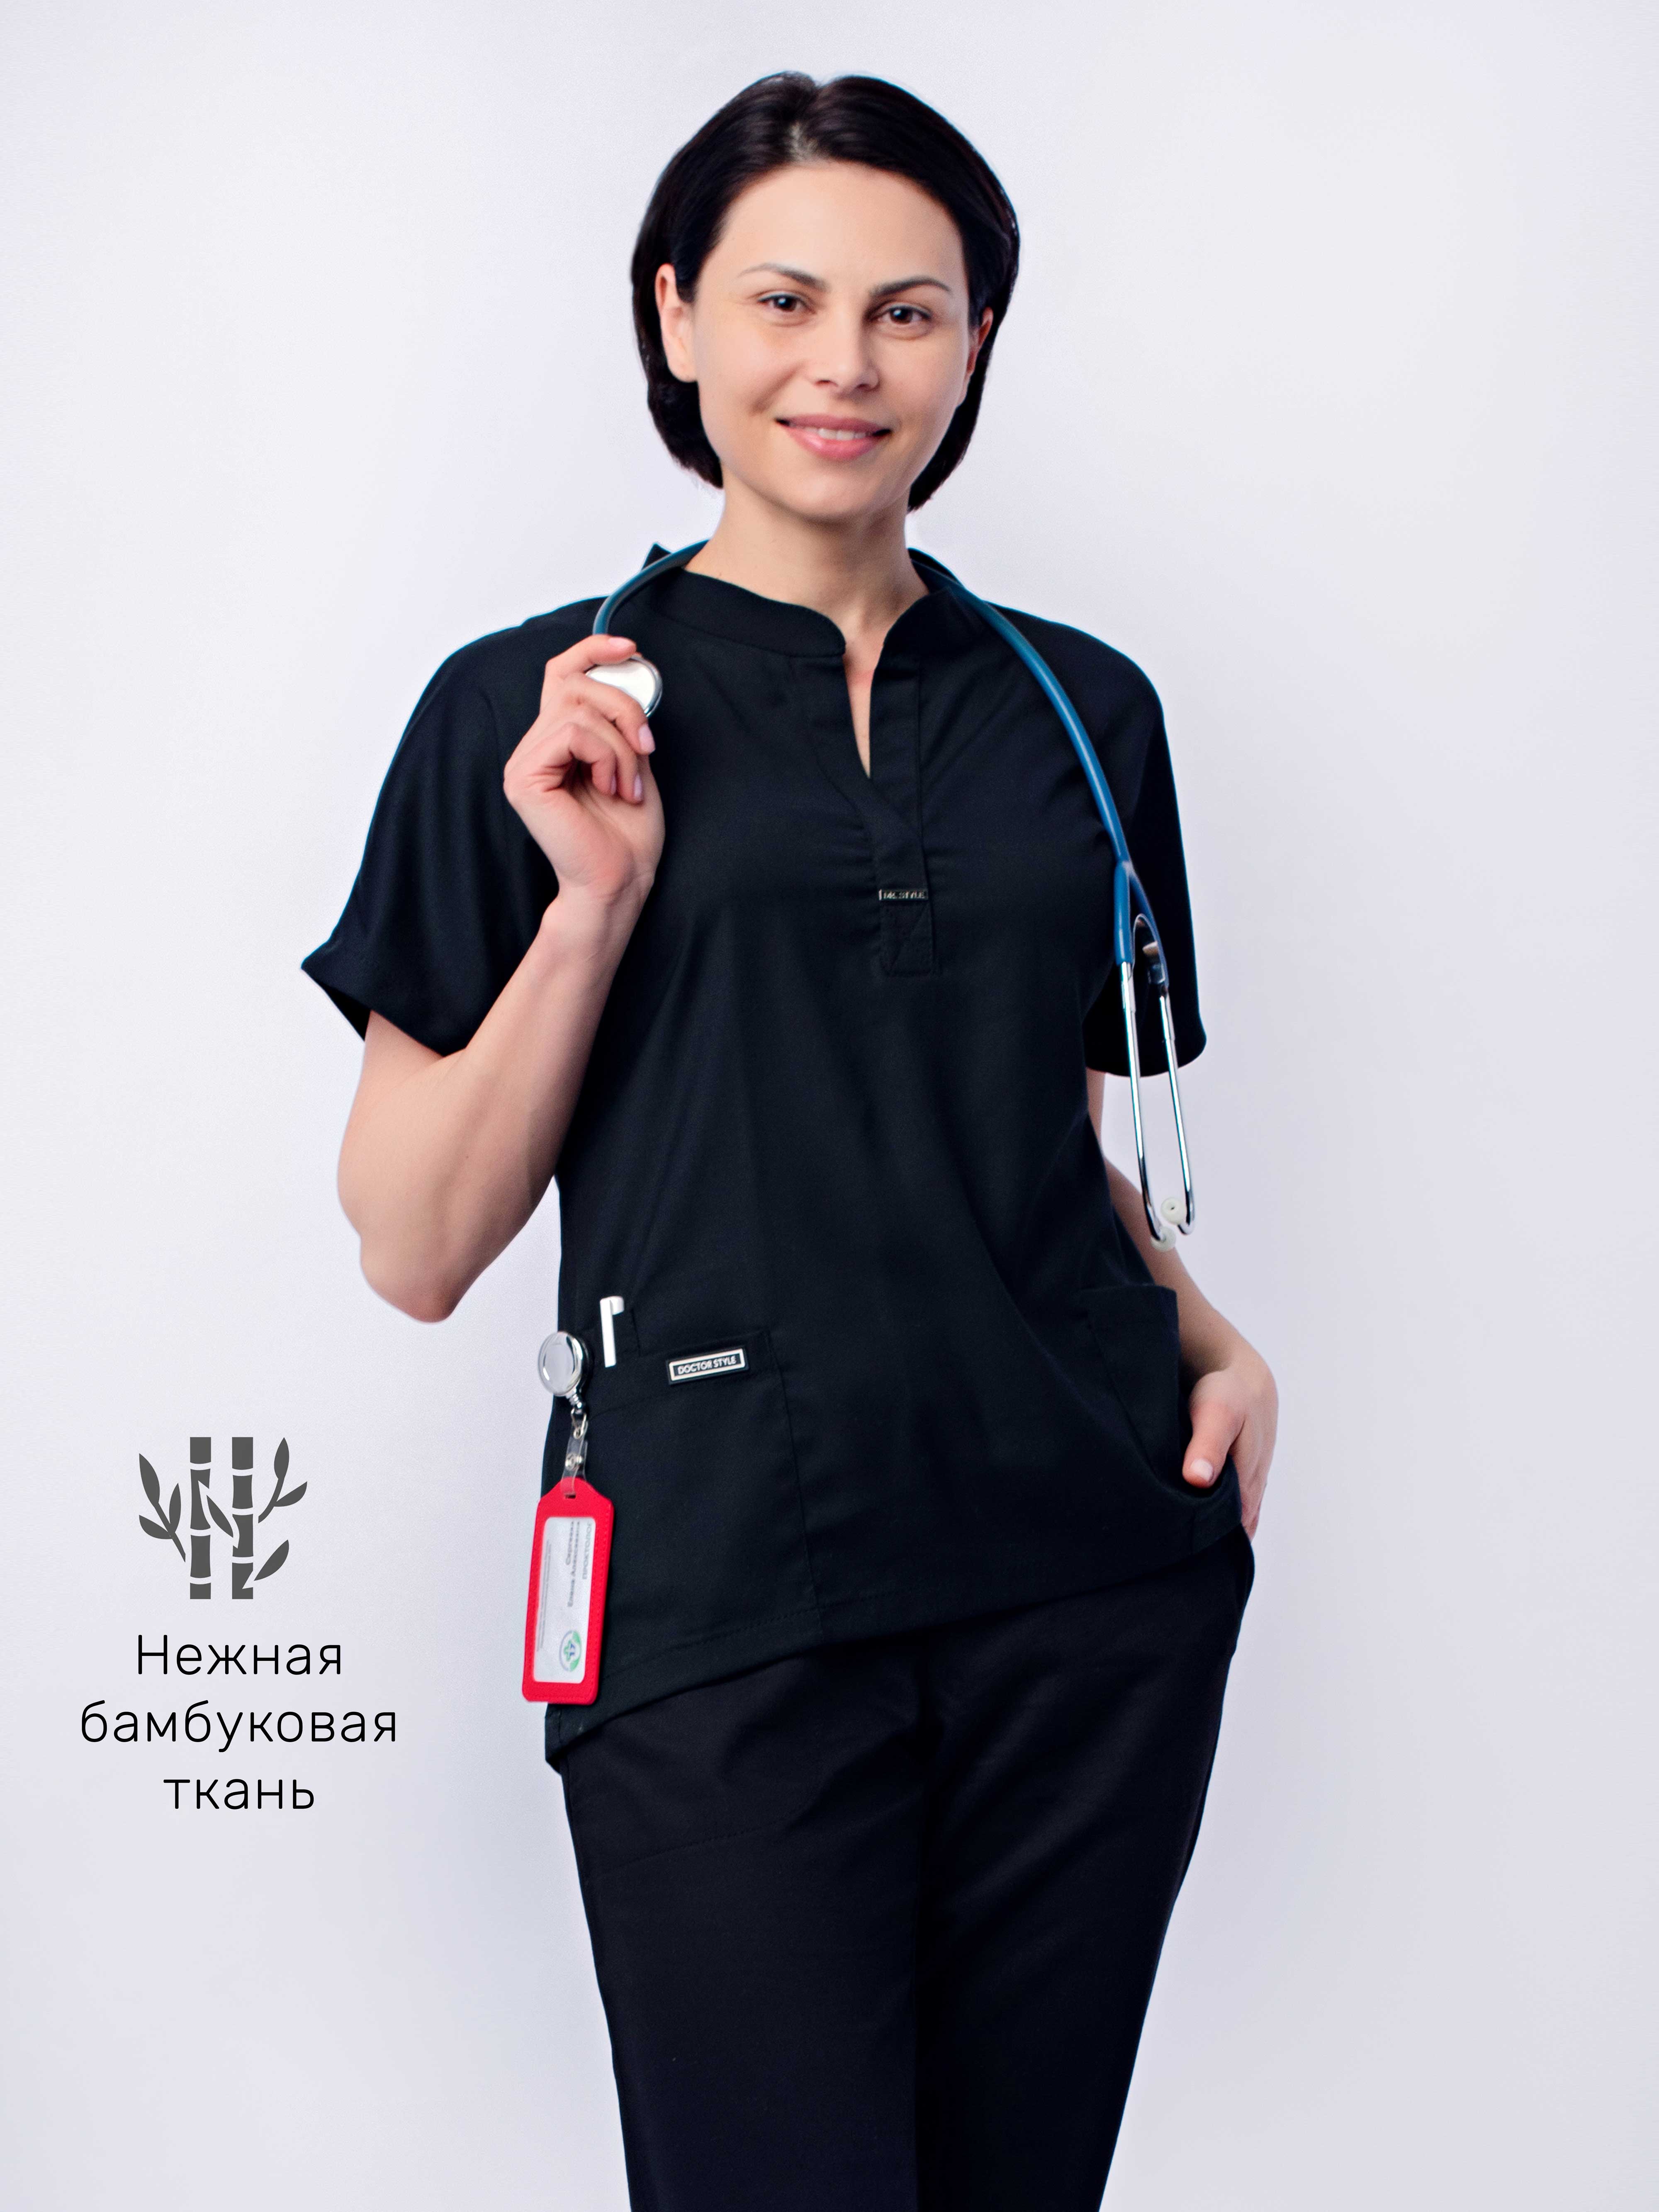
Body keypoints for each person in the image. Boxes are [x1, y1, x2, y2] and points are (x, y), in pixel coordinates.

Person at [302, 70, 1277, 2212]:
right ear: (676, 316)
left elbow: (1034, 1139)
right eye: (784, 300)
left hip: (1088, 1584)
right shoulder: (528, 713)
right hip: (724, 1591)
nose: (845, 363)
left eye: (908, 311)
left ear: (976, 344)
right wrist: (590, 908)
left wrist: (1214, 1336)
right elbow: (414, 1242)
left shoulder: (1084, 713)